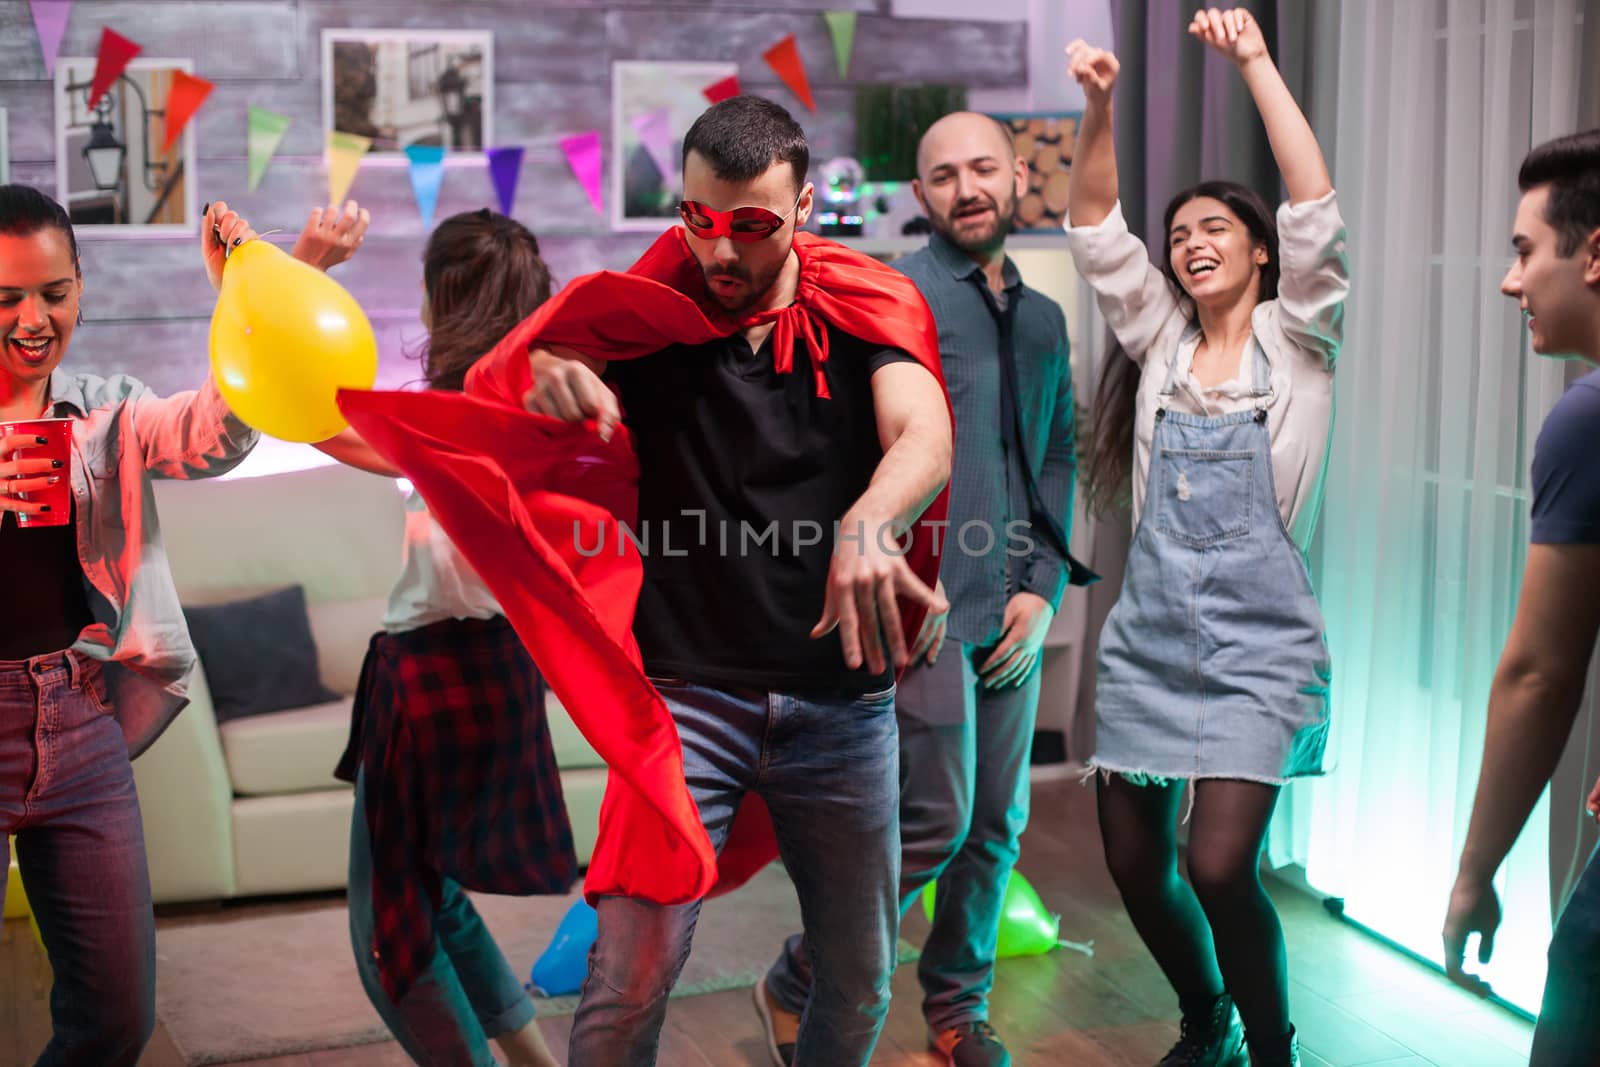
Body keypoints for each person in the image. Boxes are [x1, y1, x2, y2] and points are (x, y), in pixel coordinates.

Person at [447, 94, 952, 1067]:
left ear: (804, 206)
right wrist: (551, 363)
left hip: (841, 706)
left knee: (856, 976)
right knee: (629, 972)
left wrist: (867, 520)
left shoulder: (862, 308)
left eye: (753, 226)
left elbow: (922, 428)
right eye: (699, 221)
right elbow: (528, 375)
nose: (721, 253)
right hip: (685, 706)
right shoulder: (648, 314)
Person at [756, 110, 1094, 1067]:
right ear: (920, 196)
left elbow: (1058, 455)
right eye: (944, 176)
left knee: (997, 827)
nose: (967, 187)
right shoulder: (891, 296)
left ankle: (957, 1009)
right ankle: (799, 975)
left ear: (1018, 174)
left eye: (984, 167)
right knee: (936, 823)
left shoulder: (1043, 316)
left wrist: (1047, 584)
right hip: (926, 610)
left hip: (1014, 610)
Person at [0, 186, 364, 1066]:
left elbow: (214, 434)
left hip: (80, 718)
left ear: (82, 285)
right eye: (6, 297)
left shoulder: (106, 408)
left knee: (118, 1019)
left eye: (54, 292)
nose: (33, 319)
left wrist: (272, 284)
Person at [1064, 9, 1348, 1066]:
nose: (1189, 241)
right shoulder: (1159, 339)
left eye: (1214, 227)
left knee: (1220, 864)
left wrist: (1254, 62)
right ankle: (1207, 1017)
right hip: (1149, 641)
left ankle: (1273, 1044)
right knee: (1139, 869)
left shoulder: (1302, 336)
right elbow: (1097, 227)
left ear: (1265, 253)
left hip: (1260, 646)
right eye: (1179, 231)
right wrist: (1098, 106)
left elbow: (1312, 198)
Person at [316, 209, 574, 1067]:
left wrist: (292, 282)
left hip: (434, 673)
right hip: (500, 666)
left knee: (387, 934)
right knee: (439, 893)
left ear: (440, 300)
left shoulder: (456, 417)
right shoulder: (539, 409)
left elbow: (317, 420)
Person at [1441, 128, 1600, 1066]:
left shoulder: (1586, 419)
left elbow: (1540, 674)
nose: (1512, 281)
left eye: (1524, 250)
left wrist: (1475, 871)